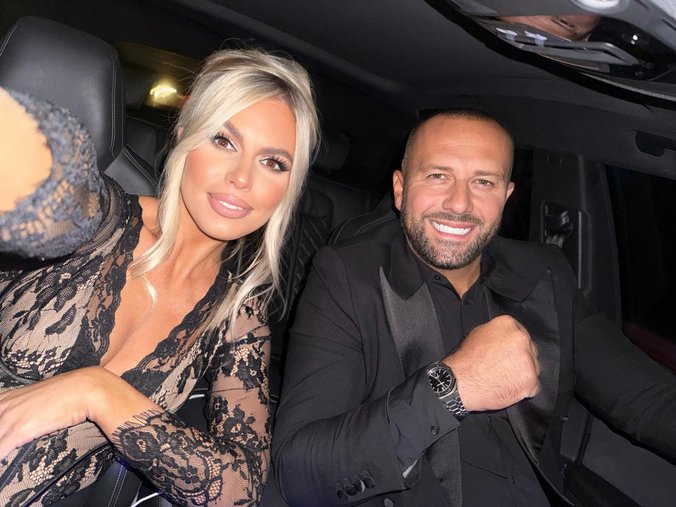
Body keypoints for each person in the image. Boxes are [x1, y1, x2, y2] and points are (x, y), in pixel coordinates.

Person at [272, 110, 676, 506]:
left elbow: (645, 398)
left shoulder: (544, 272)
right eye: (438, 175)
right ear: (400, 189)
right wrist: (451, 389)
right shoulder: (347, 276)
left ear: (506, 196)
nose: (459, 204)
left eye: (483, 182)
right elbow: (299, 473)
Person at [0, 48, 318, 506]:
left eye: (273, 163)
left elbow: (241, 489)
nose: (241, 178)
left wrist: (97, 391)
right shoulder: (99, 217)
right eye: (223, 140)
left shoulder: (238, 316)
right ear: (185, 134)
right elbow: (31, 182)